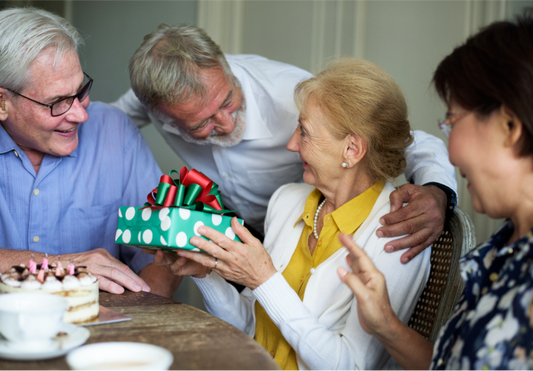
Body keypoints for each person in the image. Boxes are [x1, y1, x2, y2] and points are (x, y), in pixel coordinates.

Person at [153, 58, 432, 370]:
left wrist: (264, 278)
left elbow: (352, 366)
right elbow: (249, 328)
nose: (290, 144)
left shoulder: (398, 231)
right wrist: (205, 273)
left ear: (352, 150)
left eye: (304, 131)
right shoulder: (286, 201)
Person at [113, 24, 457, 263]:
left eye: (228, 100)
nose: (226, 122)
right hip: (228, 235)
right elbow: (106, 125)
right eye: (201, 123)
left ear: (224, 64)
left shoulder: (289, 93)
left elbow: (408, 140)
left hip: (300, 234)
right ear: (164, 115)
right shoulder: (153, 98)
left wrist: (438, 190)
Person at [338, 12, 533, 370]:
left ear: (510, 126)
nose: (451, 152)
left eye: (452, 122)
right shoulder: (502, 248)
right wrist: (386, 325)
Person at [0, 7, 180, 297]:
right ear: (2, 102)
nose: (81, 116)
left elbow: (162, 253)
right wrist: (59, 265)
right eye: (57, 102)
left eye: (80, 91)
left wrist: (138, 325)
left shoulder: (115, 132)